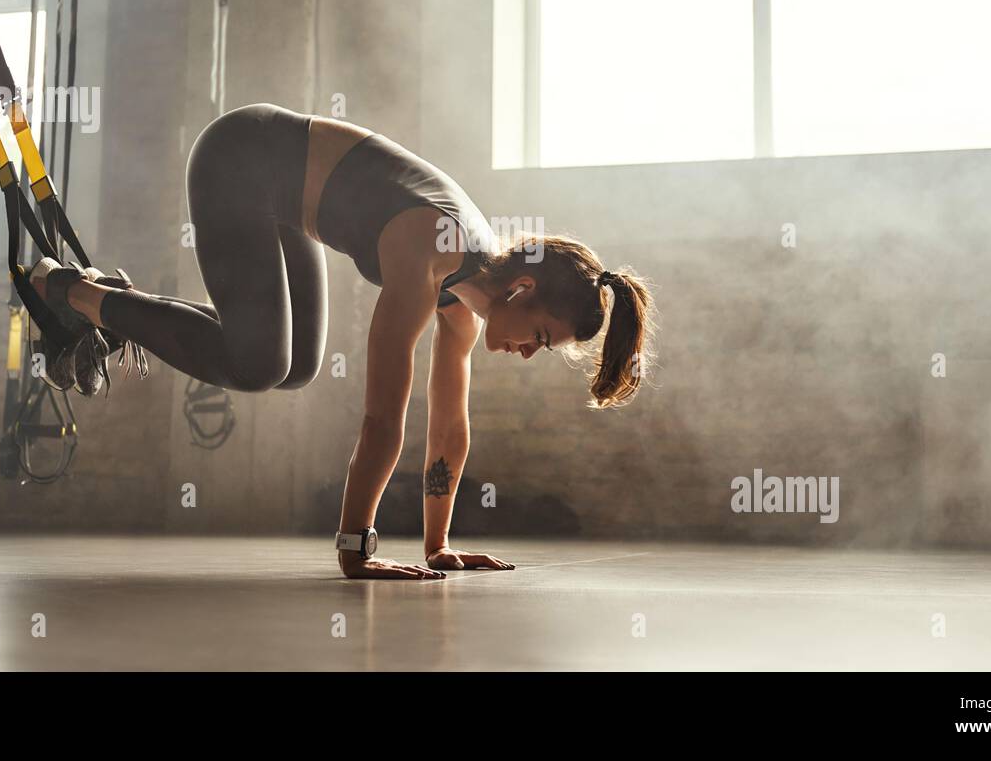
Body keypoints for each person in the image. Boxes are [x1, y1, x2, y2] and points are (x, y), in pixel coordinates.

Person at [32, 104, 654, 579]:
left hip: (280, 200)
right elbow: (384, 419)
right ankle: (71, 292)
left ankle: (109, 304)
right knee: (259, 362)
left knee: (298, 365)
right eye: (541, 338)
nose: (528, 353)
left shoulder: (467, 298)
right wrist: (356, 546)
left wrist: (437, 545)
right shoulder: (434, 248)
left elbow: (448, 428)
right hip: (237, 160)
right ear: (522, 289)